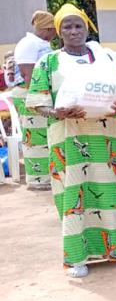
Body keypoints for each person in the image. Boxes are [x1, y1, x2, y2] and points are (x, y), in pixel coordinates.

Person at [26, 3, 116, 277]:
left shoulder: (107, 58)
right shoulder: (49, 62)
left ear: (86, 28)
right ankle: (77, 256)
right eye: (67, 26)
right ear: (59, 32)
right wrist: (57, 112)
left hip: (108, 137)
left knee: (113, 193)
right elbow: (37, 102)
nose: (73, 31)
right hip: (69, 138)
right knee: (74, 195)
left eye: (78, 25)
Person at [11, 10, 56, 189]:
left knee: (44, 138)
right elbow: (27, 74)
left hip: (40, 95)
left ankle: (48, 177)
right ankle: (38, 180)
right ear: (48, 29)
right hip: (29, 95)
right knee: (35, 139)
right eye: (54, 29)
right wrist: (36, 97)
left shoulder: (41, 43)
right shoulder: (28, 43)